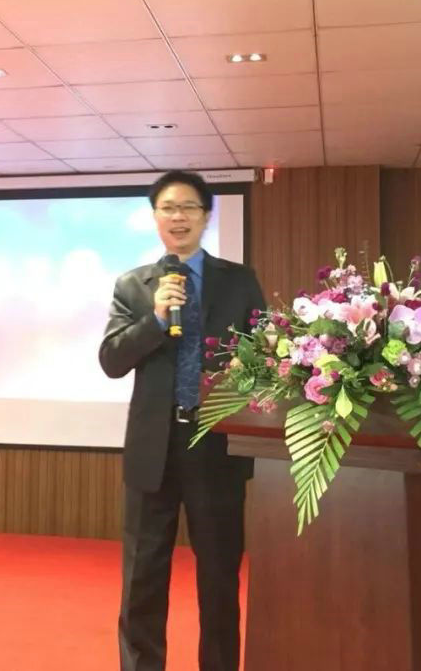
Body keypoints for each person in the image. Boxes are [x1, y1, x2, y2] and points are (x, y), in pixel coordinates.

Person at [99, 170, 266, 671]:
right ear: (155, 217)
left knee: (219, 576)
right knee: (143, 576)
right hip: (155, 446)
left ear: (206, 216)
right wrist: (154, 320)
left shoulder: (239, 281)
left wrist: (248, 371)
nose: (178, 217)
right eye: (168, 208)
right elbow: (111, 361)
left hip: (216, 443)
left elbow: (266, 354)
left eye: (189, 207)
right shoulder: (134, 286)